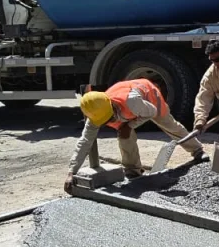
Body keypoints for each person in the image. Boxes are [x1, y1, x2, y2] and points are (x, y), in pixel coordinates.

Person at [64, 79, 203, 194]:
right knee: (124, 136)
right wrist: (71, 172)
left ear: (111, 106)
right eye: (107, 121)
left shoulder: (132, 102)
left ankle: (197, 150)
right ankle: (133, 172)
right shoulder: (96, 114)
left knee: (169, 125)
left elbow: (152, 111)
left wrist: (130, 125)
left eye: (111, 117)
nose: (111, 122)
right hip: (127, 106)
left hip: (148, 97)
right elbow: (85, 142)